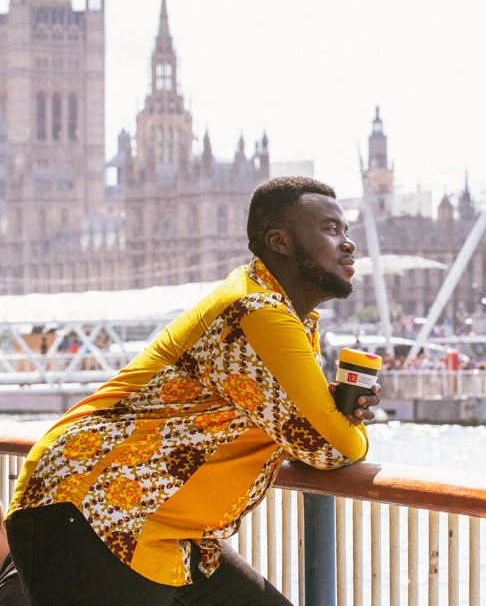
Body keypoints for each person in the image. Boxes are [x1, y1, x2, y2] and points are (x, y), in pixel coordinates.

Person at [0, 176, 380, 606]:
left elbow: (296, 431)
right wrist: (349, 426)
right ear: (280, 242)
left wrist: (325, 415)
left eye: (346, 231)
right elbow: (332, 448)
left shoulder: (279, 311)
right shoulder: (256, 310)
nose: (348, 243)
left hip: (167, 532)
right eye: (331, 230)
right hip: (93, 513)